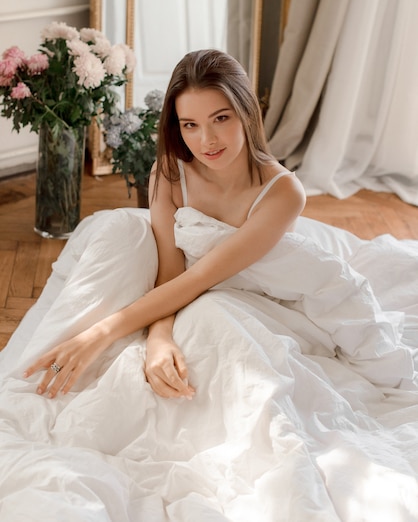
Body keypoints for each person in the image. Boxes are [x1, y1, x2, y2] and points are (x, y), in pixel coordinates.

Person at [23, 48, 306, 399]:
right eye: (191, 125)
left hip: (239, 295)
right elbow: (171, 272)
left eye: (221, 118)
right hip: (179, 290)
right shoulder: (171, 171)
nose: (207, 140)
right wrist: (158, 337)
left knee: (214, 329)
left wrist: (100, 334)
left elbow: (202, 277)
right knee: (119, 235)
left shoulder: (284, 193)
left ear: (247, 112)